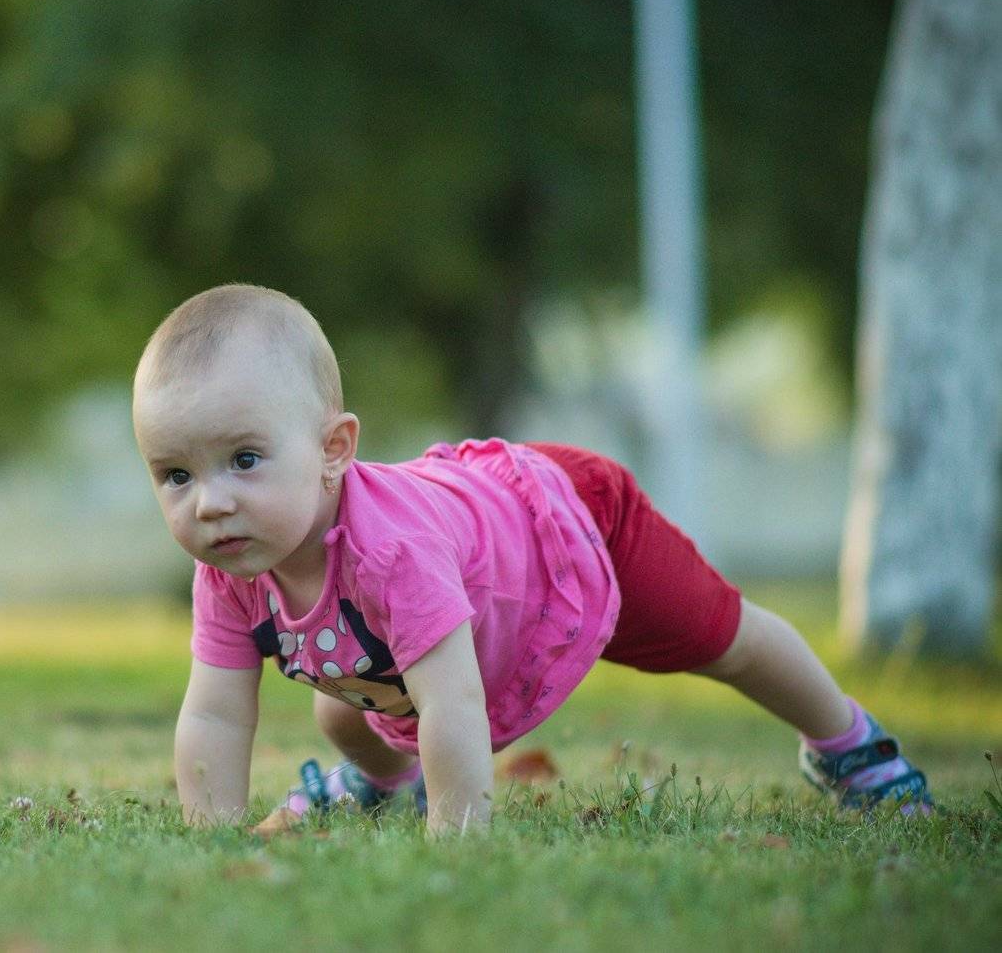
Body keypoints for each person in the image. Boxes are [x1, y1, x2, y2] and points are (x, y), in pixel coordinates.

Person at [131, 283, 931, 835]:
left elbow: (452, 705)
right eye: (176, 475)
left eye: (244, 460)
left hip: (571, 527)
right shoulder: (228, 574)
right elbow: (215, 712)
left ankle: (851, 746)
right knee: (342, 712)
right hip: (460, 585)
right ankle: (388, 786)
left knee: (723, 639)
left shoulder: (391, 551)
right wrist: (214, 841)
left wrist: (458, 841)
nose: (210, 503)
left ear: (334, 450)